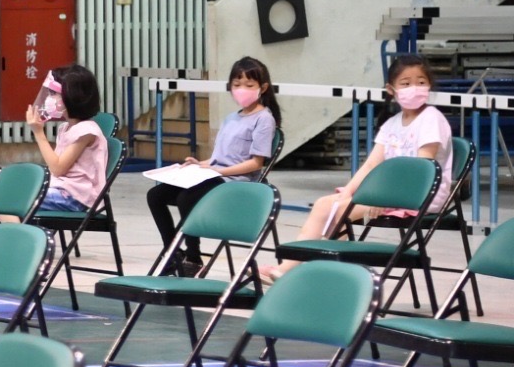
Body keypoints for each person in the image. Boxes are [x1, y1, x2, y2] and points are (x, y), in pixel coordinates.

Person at [263, 55, 453, 281]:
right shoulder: (392, 124)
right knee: (325, 205)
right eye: (406, 83)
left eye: (421, 82)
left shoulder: (432, 119)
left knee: (342, 211)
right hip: (391, 194)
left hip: (420, 196)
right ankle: (286, 268)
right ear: (391, 89)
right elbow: (371, 164)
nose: (414, 88)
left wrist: (383, 199)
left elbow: (421, 170)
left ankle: (328, 275)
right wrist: (350, 191)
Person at [146, 56, 278, 274]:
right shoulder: (231, 118)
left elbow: (256, 163)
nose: (242, 90)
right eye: (237, 85)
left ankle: (193, 257)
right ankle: (172, 253)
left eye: (249, 85)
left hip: (235, 183)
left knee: (187, 198)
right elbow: (220, 157)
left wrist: (218, 171)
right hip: (216, 176)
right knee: (156, 195)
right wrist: (199, 164)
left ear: (262, 88)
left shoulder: (264, 119)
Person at [21, 65, 108, 216]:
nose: (49, 98)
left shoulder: (86, 131)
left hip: (74, 197)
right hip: (60, 188)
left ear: (72, 97)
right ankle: (15, 230)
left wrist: (39, 133)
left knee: (10, 199)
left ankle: (22, 231)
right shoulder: (65, 128)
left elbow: (58, 168)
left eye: (53, 93)